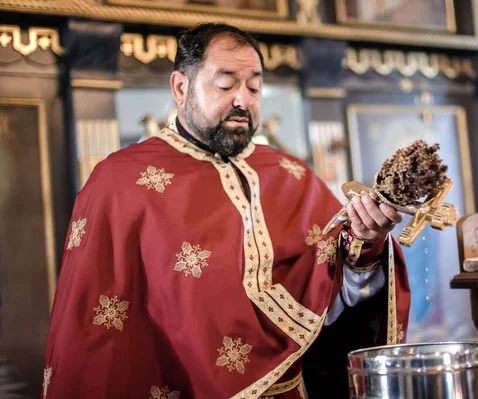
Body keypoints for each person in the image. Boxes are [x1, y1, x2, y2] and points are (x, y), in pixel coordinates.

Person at [41, 23, 410, 399]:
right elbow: (90, 334)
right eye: (226, 84)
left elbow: (336, 306)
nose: (243, 100)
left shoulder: (292, 175)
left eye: (254, 86)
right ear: (181, 87)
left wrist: (365, 244)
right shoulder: (120, 183)